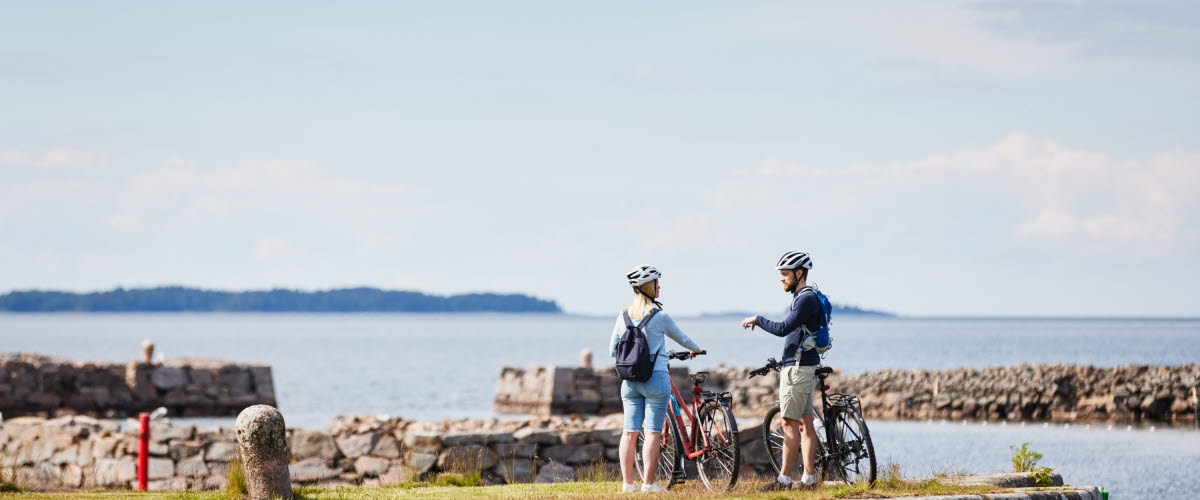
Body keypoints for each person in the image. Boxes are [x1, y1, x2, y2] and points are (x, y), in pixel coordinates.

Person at [609, 265, 703, 493]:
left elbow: (613, 350)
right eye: (657, 283)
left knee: (629, 432)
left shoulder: (623, 316)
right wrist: (697, 349)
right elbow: (682, 338)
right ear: (648, 287)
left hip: (629, 381)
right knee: (652, 431)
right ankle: (649, 484)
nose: (660, 286)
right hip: (655, 378)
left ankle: (627, 484)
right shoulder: (659, 316)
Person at [741, 251, 824, 491]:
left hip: (797, 369)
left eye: (785, 274)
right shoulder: (804, 297)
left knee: (789, 424)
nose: (782, 279)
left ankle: (784, 480)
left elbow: (783, 328)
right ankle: (808, 480)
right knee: (805, 423)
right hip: (803, 366)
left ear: (799, 273)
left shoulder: (805, 298)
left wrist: (757, 319)